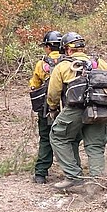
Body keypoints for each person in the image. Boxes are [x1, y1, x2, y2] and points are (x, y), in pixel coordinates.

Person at [46, 32, 107, 193]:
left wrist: (53, 109)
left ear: (67, 50)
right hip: (99, 109)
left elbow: (53, 93)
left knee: (58, 137)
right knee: (95, 146)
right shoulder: (98, 62)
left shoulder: (63, 66)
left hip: (74, 109)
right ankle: (98, 181)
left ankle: (74, 177)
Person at [29, 30, 65, 184]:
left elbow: (34, 86)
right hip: (70, 107)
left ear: (49, 47)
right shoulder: (70, 61)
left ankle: (41, 174)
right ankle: (72, 172)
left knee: (45, 138)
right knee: (70, 139)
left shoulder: (42, 64)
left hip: (47, 107)